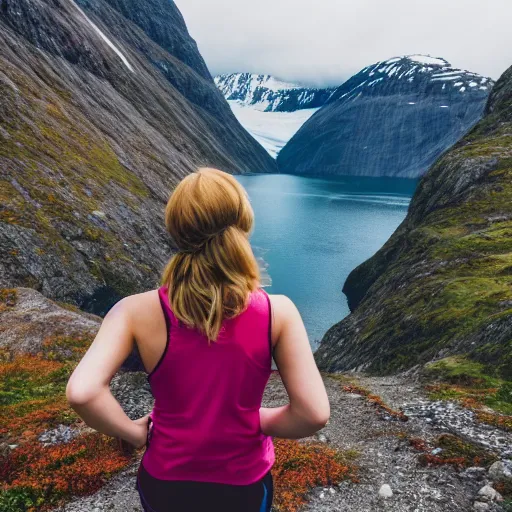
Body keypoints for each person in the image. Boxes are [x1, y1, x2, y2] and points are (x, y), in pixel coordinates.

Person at [66, 167, 330, 512]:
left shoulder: (132, 312)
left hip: (166, 480)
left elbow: (82, 393)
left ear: (177, 230)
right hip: (244, 482)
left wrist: (133, 433)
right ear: (242, 223)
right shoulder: (278, 312)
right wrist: (255, 419)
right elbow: (312, 415)